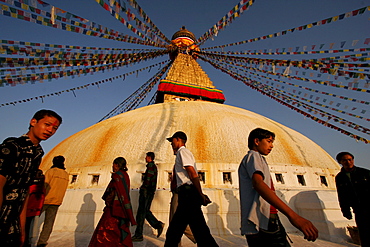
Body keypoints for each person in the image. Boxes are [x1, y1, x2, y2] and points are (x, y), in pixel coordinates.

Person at [238, 128, 318, 247]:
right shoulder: (253, 156)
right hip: (264, 219)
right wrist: (292, 215)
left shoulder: (259, 159)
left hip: (264, 218)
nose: (272, 146)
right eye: (269, 141)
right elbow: (258, 184)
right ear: (256, 141)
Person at [0, 109, 62, 247]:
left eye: (55, 128)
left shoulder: (38, 154)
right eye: (47, 124)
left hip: (14, 221)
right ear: (33, 122)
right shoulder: (12, 147)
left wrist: (22, 230)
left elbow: (24, 192)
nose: (50, 130)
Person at [164, 131, 218, 247]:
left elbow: (192, 173)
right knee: (198, 230)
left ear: (178, 139)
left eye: (172, 141)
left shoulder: (183, 152)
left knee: (177, 231)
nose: (171, 144)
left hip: (188, 193)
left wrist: (200, 194)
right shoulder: (182, 153)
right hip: (187, 194)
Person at [88, 157, 137, 247]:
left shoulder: (117, 176)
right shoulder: (125, 175)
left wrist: (108, 201)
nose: (112, 167)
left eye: (113, 164)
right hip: (122, 209)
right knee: (119, 233)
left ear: (117, 165)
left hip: (114, 209)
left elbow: (113, 192)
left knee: (106, 232)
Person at [335, 152, 370, 247]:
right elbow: (342, 195)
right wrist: (345, 210)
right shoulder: (340, 177)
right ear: (340, 162)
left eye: (350, 159)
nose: (348, 162)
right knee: (364, 233)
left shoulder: (365, 173)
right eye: (345, 160)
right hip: (359, 209)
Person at [37, 155, 69, 247]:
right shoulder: (65, 174)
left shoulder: (51, 171)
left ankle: (29, 236)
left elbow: (44, 185)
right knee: (49, 223)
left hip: (45, 199)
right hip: (57, 201)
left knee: (33, 220)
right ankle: (42, 241)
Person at [132, 152, 164, 242]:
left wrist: (144, 187)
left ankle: (139, 234)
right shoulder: (154, 167)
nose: (145, 158)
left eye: (146, 156)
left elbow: (148, 179)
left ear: (149, 157)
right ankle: (157, 225)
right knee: (145, 211)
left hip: (146, 192)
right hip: (150, 192)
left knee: (141, 213)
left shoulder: (150, 166)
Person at [25, 169, 46, 247]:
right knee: (31, 229)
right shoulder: (42, 189)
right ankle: (29, 242)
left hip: (27, 211)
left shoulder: (31, 188)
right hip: (36, 211)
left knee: (25, 229)